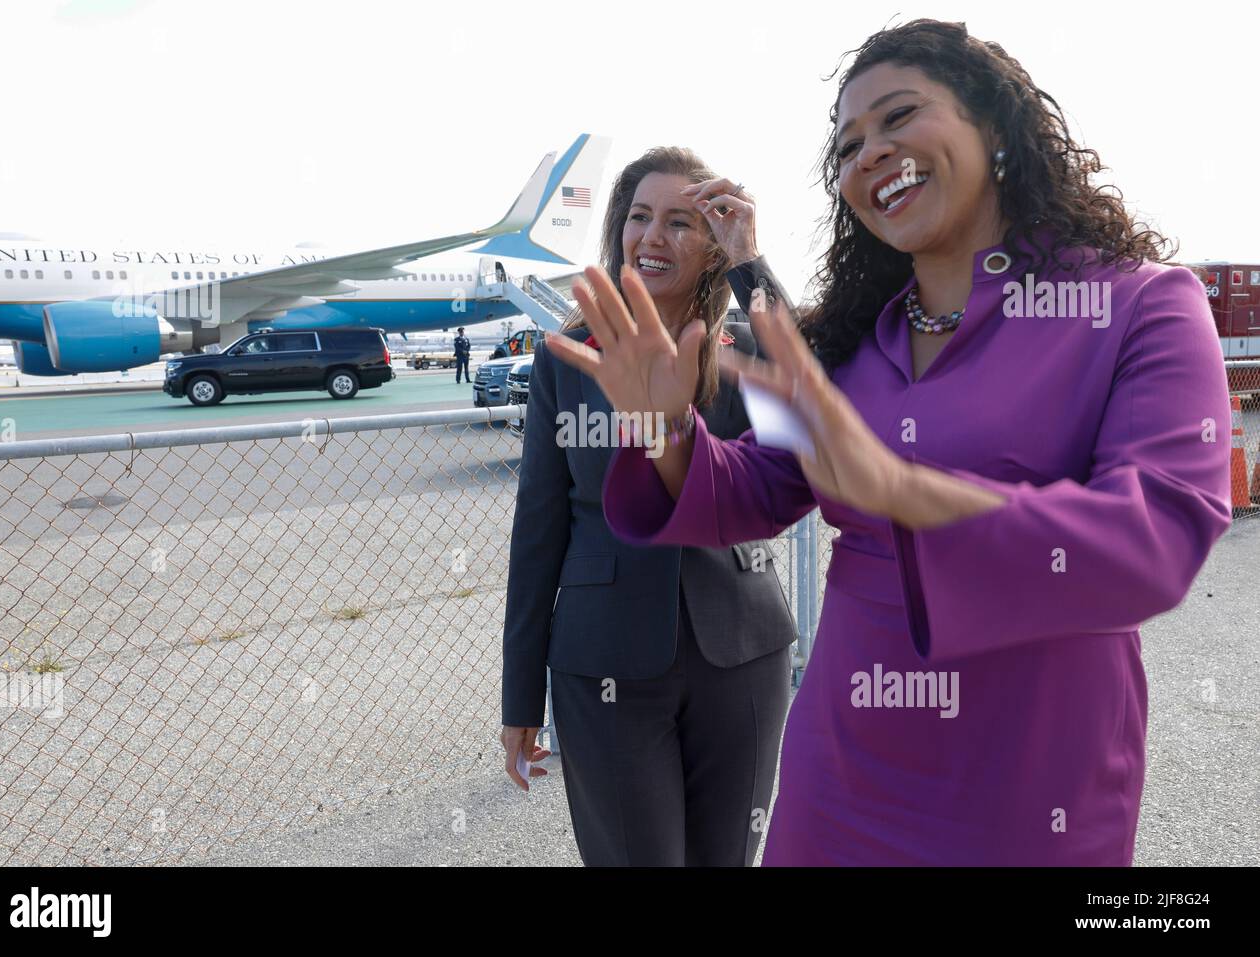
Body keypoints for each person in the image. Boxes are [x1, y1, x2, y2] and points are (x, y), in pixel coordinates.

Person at [546, 19, 1232, 865]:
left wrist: (902, 488)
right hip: (839, 772)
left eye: (899, 117)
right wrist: (664, 427)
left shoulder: (1143, 306)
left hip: (1028, 785)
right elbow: (755, 489)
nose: (868, 153)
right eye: (847, 146)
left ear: (996, 127)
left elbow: (1157, 540)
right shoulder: (850, 345)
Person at [501, 147, 799, 866]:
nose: (653, 236)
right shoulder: (568, 359)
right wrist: (520, 699)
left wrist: (752, 264)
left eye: (679, 222)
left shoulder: (747, 348)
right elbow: (539, 531)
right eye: (639, 217)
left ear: (713, 246)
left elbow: (810, 404)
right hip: (606, 659)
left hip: (742, 654)